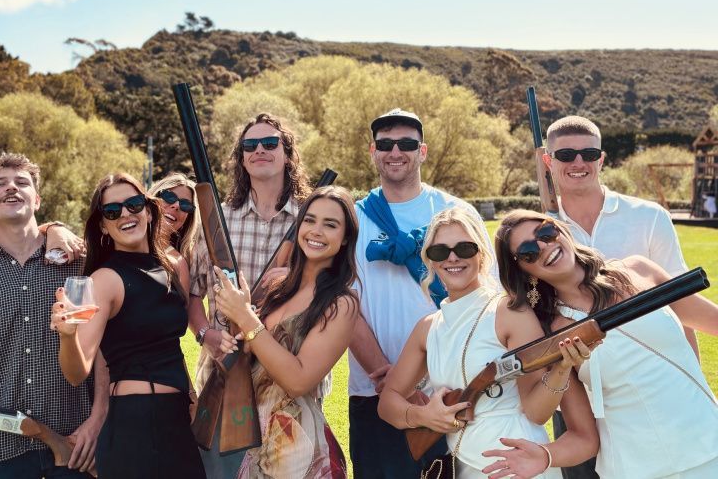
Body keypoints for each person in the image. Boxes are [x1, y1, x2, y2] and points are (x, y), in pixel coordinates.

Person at [488, 210, 718, 478]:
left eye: (546, 232)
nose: (544, 246)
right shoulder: (550, 333)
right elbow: (584, 438)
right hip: (640, 468)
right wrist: (546, 455)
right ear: (524, 271)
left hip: (710, 440)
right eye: (528, 251)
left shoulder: (639, 271)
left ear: (560, 230)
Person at [378, 208, 598, 478]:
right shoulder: (427, 328)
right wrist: (422, 416)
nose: (452, 257)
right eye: (440, 252)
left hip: (516, 463)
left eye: (464, 247)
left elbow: (537, 413)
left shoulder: (509, 312)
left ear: (481, 253)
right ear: (431, 261)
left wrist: (561, 370)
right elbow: (388, 402)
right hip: (462, 465)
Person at [542, 115, 699, 478]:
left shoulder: (648, 217)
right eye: (565, 154)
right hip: (577, 400)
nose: (578, 162)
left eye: (588, 153)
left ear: (602, 158)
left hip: (652, 391)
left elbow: (678, 304)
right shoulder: (536, 233)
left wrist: (693, 381)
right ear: (548, 161)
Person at [0, 153, 108, 478]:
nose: (11, 189)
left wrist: (98, 418)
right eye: (0, 184)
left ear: (37, 198)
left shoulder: (81, 264)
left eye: (22, 183)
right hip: (0, 446)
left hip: (77, 439)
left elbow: (105, 349)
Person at [347, 108, 494, 478]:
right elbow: (344, 304)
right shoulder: (354, 218)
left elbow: (487, 293)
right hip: (373, 390)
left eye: (407, 143)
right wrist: (387, 377)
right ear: (373, 151)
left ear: (422, 151)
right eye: (386, 144)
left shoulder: (455, 211)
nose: (396, 151)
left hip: (456, 387)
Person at [53, 173, 205, 478]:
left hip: (176, 416)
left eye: (134, 204)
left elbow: (170, 346)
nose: (125, 214)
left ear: (148, 211)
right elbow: (75, 372)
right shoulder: (105, 280)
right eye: (112, 211)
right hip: (137, 423)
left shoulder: (173, 267)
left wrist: (191, 394)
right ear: (103, 225)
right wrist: (68, 337)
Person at [187, 113, 311, 477]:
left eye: (270, 143)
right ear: (241, 158)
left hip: (288, 377)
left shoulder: (310, 221)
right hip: (223, 374)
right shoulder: (216, 221)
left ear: (287, 154)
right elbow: (193, 298)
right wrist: (205, 334)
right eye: (249, 145)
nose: (259, 150)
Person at [214, 186, 358, 478]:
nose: (316, 231)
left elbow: (298, 380)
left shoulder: (341, 303)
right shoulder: (276, 288)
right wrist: (236, 333)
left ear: (345, 239)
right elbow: (258, 354)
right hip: (255, 444)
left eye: (330, 225)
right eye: (310, 220)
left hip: (299, 449)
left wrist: (246, 318)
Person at [148, 173, 201, 273]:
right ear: (154, 198)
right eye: (169, 196)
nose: (176, 205)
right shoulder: (124, 241)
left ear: (188, 219)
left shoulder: (179, 265)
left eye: (185, 205)